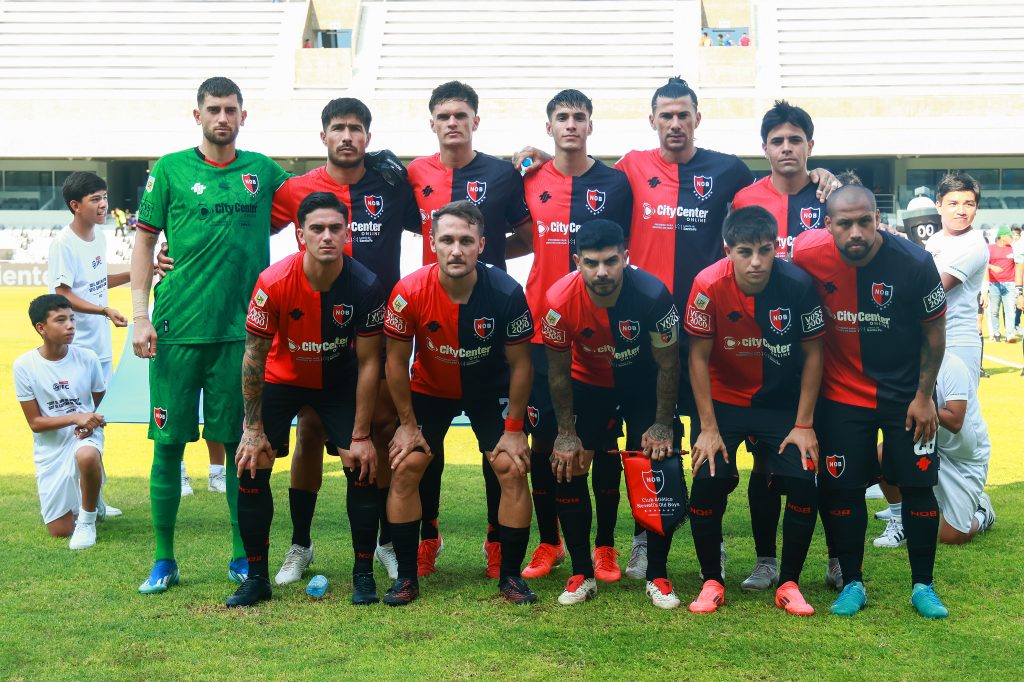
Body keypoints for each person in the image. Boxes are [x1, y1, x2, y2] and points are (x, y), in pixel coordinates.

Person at [515, 77, 836, 579]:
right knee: (620, 435)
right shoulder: (630, 168)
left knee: (677, 439)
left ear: (696, 119)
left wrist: (820, 175)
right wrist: (542, 152)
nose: (675, 123)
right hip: (632, 323)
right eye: (666, 115)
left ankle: (677, 542)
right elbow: (579, 170)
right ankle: (614, 544)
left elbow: (775, 180)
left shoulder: (727, 171)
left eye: (683, 114)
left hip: (705, 327)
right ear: (653, 122)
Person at [130, 77, 290, 594]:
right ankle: (163, 559)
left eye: (231, 109)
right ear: (196, 114)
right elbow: (144, 243)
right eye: (213, 109)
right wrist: (139, 315)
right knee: (168, 445)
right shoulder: (169, 169)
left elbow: (318, 197)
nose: (222, 117)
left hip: (241, 336)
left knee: (238, 442)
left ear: (244, 116)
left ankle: (242, 555)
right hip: (176, 329)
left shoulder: (263, 172)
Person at [268, 97, 420, 585]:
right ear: (324, 137)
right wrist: (172, 248)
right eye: (339, 128)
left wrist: (528, 161)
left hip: (377, 333)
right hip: (317, 336)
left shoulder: (393, 183)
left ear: (369, 138)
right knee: (309, 430)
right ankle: (300, 545)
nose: (348, 136)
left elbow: (448, 206)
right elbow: (244, 223)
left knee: (377, 436)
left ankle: (385, 544)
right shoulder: (296, 189)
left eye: (357, 128)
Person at [792, 185, 949, 619]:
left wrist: (923, 396)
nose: (856, 231)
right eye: (845, 223)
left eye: (865, 220)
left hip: (905, 398)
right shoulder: (806, 252)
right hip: (841, 396)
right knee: (843, 487)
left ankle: (923, 586)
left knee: (918, 486)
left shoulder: (915, 263)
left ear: (877, 218)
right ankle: (853, 582)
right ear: (828, 225)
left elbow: (935, 336)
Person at [227, 191, 386, 607]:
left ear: (347, 232)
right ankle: (258, 576)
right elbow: (254, 357)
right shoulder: (273, 281)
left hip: (337, 381)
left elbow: (370, 363)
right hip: (283, 379)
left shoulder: (366, 284)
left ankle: (363, 573)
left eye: (335, 228)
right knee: (252, 459)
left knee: (360, 460)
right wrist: (253, 428)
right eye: (317, 229)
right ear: (300, 235)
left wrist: (362, 433)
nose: (327, 236)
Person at [406, 81, 531, 577]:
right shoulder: (413, 172)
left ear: (475, 121)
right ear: (432, 123)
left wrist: (488, 261)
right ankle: (426, 536)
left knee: (496, 451)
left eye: (462, 114)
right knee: (422, 453)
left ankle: (498, 541)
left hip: (488, 327)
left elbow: (525, 235)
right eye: (444, 115)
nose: (453, 122)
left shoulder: (502, 173)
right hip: (433, 327)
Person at [383, 200, 536, 606]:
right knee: (407, 463)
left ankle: (510, 575)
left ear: (482, 245)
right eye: (447, 240)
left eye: (466, 241)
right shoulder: (408, 291)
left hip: (490, 390)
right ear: (432, 243)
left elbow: (523, 365)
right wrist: (406, 424)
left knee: (512, 467)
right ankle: (406, 576)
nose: (456, 250)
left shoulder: (506, 291)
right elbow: (395, 362)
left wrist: (515, 431)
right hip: (431, 389)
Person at [512, 89, 633, 581]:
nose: (570, 125)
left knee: (603, 444)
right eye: (562, 117)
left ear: (590, 125)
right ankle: (549, 543)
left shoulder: (616, 184)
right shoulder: (529, 177)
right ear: (549, 128)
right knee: (543, 443)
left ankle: (605, 546)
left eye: (579, 117)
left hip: (601, 334)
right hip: (543, 332)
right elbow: (515, 233)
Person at [684, 206, 825, 615]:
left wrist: (803, 424)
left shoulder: (797, 284)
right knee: (708, 479)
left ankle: (789, 583)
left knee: (802, 477)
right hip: (724, 402)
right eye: (745, 251)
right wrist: (707, 428)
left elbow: (814, 354)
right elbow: (697, 358)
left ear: (778, 247)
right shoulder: (707, 284)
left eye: (765, 250)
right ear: (728, 250)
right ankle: (712, 579)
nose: (757, 261)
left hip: (779, 403)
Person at [542, 219, 680, 607]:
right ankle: (581, 574)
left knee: (656, 463)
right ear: (577, 262)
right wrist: (567, 433)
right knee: (566, 463)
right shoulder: (557, 300)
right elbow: (557, 374)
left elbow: (669, 364)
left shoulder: (653, 294)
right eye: (591, 263)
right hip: (588, 386)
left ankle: (658, 575)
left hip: (642, 384)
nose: (601, 272)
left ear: (625, 258)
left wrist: (662, 424)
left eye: (610, 261)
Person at [730, 102, 831, 590]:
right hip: (765, 350)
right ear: (765, 148)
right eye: (777, 141)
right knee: (767, 459)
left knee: (826, 456)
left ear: (810, 145)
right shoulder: (745, 198)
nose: (787, 148)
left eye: (796, 140)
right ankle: (766, 560)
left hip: (823, 345)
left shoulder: (830, 195)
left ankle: (838, 556)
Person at [14, 295, 108, 549]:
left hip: (84, 437)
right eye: (61, 320)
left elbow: (99, 401)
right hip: (50, 447)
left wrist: (89, 422)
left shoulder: (88, 357)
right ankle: (93, 496)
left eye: (72, 319)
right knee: (60, 530)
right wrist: (75, 417)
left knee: (87, 455)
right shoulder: (24, 366)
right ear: (41, 328)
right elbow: (35, 422)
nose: (70, 325)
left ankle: (87, 521)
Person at [49, 172, 129, 386]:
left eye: (104, 197)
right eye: (95, 199)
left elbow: (97, 281)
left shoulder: (99, 236)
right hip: (77, 347)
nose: (103, 204)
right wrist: (104, 310)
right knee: (81, 417)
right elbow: (63, 295)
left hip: (101, 346)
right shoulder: (64, 243)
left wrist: (139, 272)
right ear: (75, 205)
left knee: (101, 416)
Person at [984, 226, 1017, 342]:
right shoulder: (990, 249)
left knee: (1010, 311)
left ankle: (1010, 335)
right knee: (994, 311)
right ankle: (996, 334)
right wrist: (992, 266)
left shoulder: (1013, 249)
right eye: (1009, 235)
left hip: (1010, 284)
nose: (1011, 238)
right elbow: (983, 264)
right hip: (994, 284)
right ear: (1002, 236)